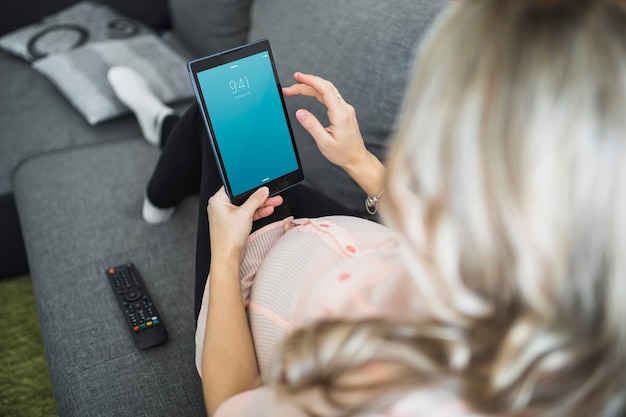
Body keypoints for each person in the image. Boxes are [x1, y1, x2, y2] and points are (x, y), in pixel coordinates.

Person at [108, 0, 626, 415]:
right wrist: (359, 161)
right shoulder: (562, 275)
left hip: (252, 275)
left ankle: (159, 165)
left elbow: (232, 405)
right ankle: (164, 128)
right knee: (224, 132)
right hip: (340, 237)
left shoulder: (379, 384)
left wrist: (225, 255)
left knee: (212, 127)